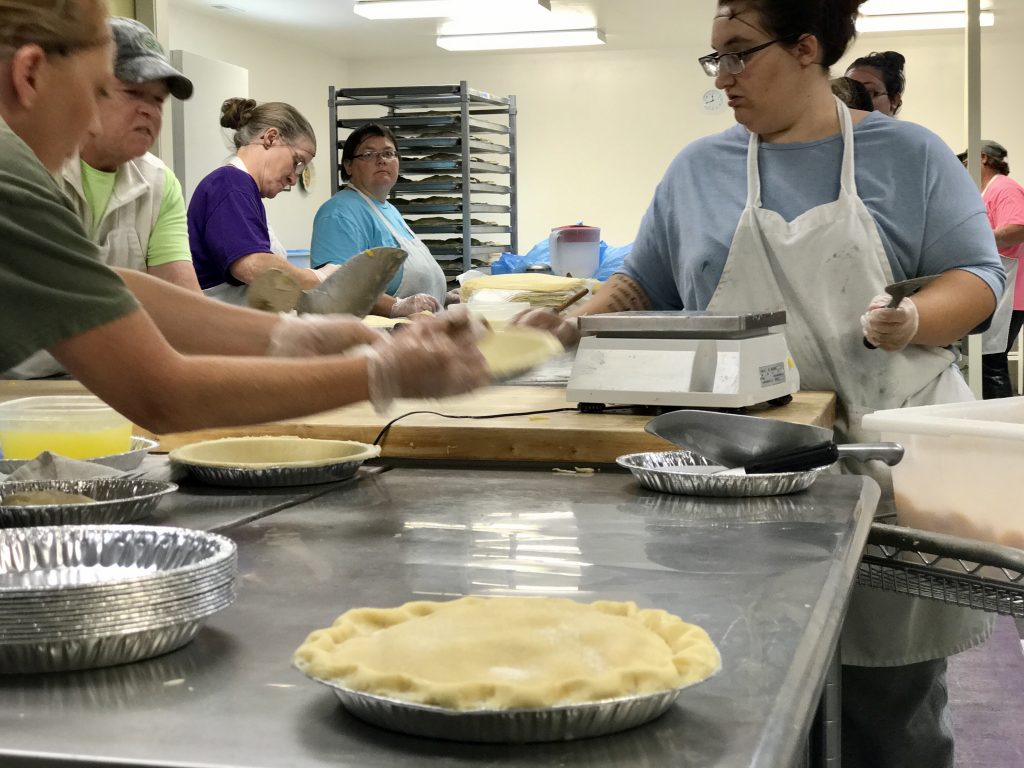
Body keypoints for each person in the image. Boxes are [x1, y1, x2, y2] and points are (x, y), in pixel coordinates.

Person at [518, 2, 1002, 766]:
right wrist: (578, 319)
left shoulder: (907, 155)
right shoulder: (697, 170)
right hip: (740, 476)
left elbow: (978, 277)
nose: (724, 79)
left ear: (808, 48)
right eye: (715, 60)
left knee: (890, 705)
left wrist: (915, 320)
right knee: (750, 696)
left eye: (740, 54)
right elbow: (643, 282)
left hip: (885, 469)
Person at [0, 0, 489, 433]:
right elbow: (161, 391)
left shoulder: (139, 178)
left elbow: (119, 290)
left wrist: (301, 336)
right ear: (29, 74)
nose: (91, 120)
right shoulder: (12, 176)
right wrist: (382, 372)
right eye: (94, 91)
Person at [4, 16, 200, 380]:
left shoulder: (159, 183)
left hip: (100, 380)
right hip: (14, 386)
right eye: (132, 93)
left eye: (158, 100)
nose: (149, 110)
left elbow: (184, 306)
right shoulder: (30, 164)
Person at [188, 98, 339, 305]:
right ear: (270, 138)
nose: (294, 179)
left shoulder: (243, 190)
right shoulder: (229, 184)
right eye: (297, 162)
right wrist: (318, 278)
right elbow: (253, 266)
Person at [311, 122, 451, 318]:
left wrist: (443, 298)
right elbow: (338, 288)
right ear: (348, 165)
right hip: (379, 339)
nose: (382, 160)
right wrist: (398, 306)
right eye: (369, 154)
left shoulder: (389, 210)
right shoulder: (339, 213)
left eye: (388, 153)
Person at [958, 140, 1024, 398]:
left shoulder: (1004, 188)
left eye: (966, 161)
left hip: (1011, 291)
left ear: (983, 157)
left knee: (991, 362)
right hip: (998, 289)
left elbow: (1018, 229)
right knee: (985, 361)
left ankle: (1000, 430)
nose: (964, 168)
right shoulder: (986, 192)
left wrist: (975, 240)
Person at [845, 50, 905, 117]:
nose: (853, 102)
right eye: (846, 93)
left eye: (869, 93)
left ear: (894, 100)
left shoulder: (909, 127)